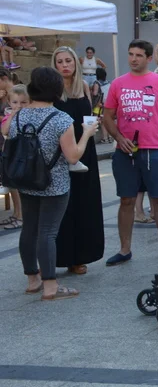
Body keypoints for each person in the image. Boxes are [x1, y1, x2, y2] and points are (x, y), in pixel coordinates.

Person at [5, 67, 98, 301]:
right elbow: (73, 156)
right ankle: (50, 285)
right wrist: (87, 134)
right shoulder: (60, 119)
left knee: (29, 229)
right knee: (47, 232)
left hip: (26, 179)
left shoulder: (20, 116)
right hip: (54, 183)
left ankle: (32, 279)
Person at [102, 40, 158, 266]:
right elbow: (107, 116)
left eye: (138, 55)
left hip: (155, 150)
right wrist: (119, 138)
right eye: (130, 54)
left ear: (148, 58)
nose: (133, 59)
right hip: (126, 152)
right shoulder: (118, 83)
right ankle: (124, 249)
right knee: (126, 200)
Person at [50, 46, 106, 276]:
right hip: (60, 152)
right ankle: (59, 256)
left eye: (68, 61)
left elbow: (88, 113)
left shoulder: (82, 86)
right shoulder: (51, 89)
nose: (65, 65)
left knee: (84, 203)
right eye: (60, 61)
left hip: (85, 147)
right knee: (63, 205)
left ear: (75, 63)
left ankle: (80, 257)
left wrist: (95, 122)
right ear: (54, 65)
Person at [0, 85, 27, 230]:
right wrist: (11, 115)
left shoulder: (28, 117)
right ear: (9, 103)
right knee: (12, 186)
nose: (19, 106)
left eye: (23, 102)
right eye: (15, 102)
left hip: (21, 157)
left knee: (19, 187)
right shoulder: (9, 116)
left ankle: (21, 216)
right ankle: (16, 213)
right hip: (11, 155)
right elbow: (4, 131)